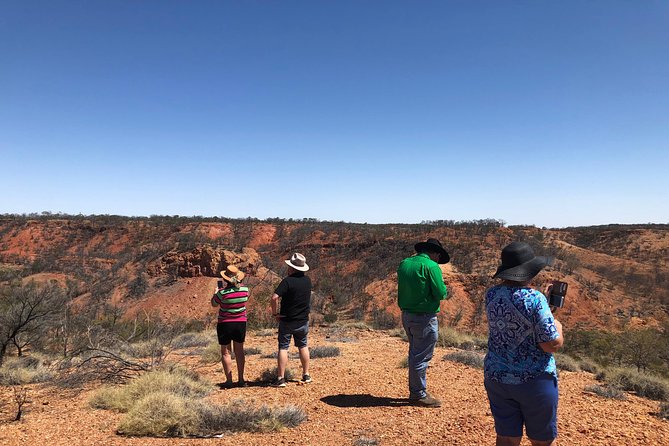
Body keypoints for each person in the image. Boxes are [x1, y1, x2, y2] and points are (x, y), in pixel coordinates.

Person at [484, 241, 564, 446]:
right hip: (533, 379)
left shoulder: (491, 294)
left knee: (506, 438)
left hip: (497, 376)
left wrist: (545, 307)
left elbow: (515, 317)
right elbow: (550, 344)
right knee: (541, 440)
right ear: (530, 270)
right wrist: (557, 324)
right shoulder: (536, 300)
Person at [397, 238, 450, 407]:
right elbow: (441, 293)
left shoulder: (405, 263)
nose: (438, 261)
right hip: (424, 317)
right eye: (438, 257)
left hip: (407, 315)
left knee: (415, 351)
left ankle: (417, 390)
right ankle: (418, 393)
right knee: (421, 356)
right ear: (435, 253)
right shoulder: (431, 266)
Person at [270, 252, 313, 388]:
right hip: (303, 320)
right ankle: (306, 375)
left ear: (292, 268)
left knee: (283, 347)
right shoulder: (307, 281)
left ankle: (281, 378)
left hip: (287, 320)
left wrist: (275, 313)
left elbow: (274, 297)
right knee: (303, 346)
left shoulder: (287, 281)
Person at [211, 264, 250, 388]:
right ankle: (241, 379)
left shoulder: (222, 293)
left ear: (225, 279)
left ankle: (229, 381)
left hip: (225, 324)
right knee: (239, 351)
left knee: (226, 352)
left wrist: (215, 293)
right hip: (240, 323)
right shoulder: (245, 290)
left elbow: (214, 304)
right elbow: (245, 298)